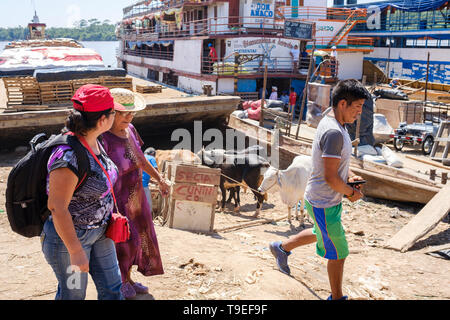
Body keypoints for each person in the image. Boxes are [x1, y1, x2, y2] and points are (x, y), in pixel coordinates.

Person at [269, 79, 369, 300]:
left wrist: (350, 176)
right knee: (340, 252)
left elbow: (334, 166)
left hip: (320, 198)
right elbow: (331, 177)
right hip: (324, 200)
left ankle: (280, 247)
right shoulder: (334, 132)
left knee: (319, 233)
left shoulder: (334, 121)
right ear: (343, 103)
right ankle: (336, 297)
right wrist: (352, 193)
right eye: (357, 106)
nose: (360, 112)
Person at [42, 84, 123, 300]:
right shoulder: (67, 157)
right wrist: (75, 251)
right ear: (103, 120)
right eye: (114, 112)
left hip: (101, 233)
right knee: (73, 296)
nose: (116, 115)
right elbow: (57, 207)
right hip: (69, 240)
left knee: (114, 291)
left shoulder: (95, 141)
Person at [101, 88, 170, 299]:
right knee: (121, 240)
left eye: (132, 113)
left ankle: (129, 278)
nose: (129, 117)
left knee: (138, 238)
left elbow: (139, 158)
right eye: (124, 113)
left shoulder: (130, 129)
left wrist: (159, 179)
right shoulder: (102, 137)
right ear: (110, 113)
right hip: (116, 198)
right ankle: (120, 281)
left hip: (136, 195)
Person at [142, 147, 159, 212]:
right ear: (152, 154)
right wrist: (160, 181)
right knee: (148, 208)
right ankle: (148, 221)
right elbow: (156, 171)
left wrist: (152, 181)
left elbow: (143, 175)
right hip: (143, 186)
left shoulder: (140, 156)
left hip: (134, 185)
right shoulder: (151, 158)